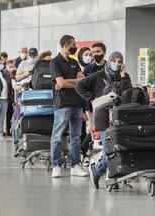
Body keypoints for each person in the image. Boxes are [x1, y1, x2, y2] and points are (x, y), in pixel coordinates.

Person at [75, 51, 132, 188]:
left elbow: (127, 96)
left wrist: (123, 77)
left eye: (119, 61)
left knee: (119, 149)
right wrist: (92, 98)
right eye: (114, 61)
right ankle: (97, 170)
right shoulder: (98, 75)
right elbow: (79, 86)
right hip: (103, 117)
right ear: (109, 61)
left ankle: (112, 176)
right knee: (109, 150)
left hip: (120, 117)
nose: (117, 64)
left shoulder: (125, 77)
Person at [50, 34, 89, 178]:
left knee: (76, 136)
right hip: (63, 104)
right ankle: (56, 165)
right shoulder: (55, 62)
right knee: (58, 136)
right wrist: (71, 82)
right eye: (73, 44)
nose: (75, 47)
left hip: (77, 103)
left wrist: (68, 82)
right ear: (66, 45)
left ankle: (75, 165)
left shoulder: (74, 62)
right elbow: (60, 83)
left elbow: (82, 80)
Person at [4, 60, 16, 136]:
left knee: (11, 114)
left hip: (11, 97)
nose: (12, 68)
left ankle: (10, 130)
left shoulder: (13, 74)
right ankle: (7, 130)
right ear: (6, 67)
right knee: (7, 114)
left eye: (13, 66)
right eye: (10, 67)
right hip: (6, 97)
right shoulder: (5, 74)